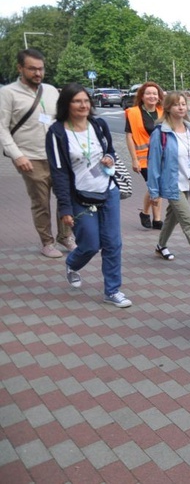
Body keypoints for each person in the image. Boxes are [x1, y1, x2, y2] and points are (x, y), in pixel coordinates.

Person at [45, 83, 132, 308]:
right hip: (79, 196)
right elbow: (59, 173)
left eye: (86, 100)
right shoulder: (57, 132)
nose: (83, 105)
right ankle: (72, 263)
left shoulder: (98, 125)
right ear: (66, 104)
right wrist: (65, 208)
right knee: (91, 244)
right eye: (77, 101)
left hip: (107, 190)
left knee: (113, 243)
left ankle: (112, 291)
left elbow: (110, 151)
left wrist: (109, 159)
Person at [0, 49, 75, 258]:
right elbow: (2, 128)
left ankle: (65, 236)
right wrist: (17, 155)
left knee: (65, 197)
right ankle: (47, 242)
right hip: (30, 158)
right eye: (32, 69)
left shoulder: (51, 90)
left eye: (41, 69)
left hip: (57, 155)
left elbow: (62, 120)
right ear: (20, 68)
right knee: (41, 203)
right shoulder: (8, 93)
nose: (38, 73)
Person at [146, 91, 190, 275]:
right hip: (173, 184)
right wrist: (153, 191)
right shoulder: (160, 133)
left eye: (184, 104)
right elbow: (153, 163)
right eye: (177, 104)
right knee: (189, 221)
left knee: (172, 217)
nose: (181, 107)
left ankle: (161, 245)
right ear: (168, 107)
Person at [124, 82, 164, 230]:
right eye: (148, 93)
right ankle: (157, 218)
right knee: (155, 186)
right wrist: (134, 159)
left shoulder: (163, 112)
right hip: (143, 158)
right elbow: (129, 137)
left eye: (155, 93)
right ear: (142, 96)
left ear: (159, 97)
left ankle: (148, 214)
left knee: (156, 186)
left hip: (161, 156)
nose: (152, 96)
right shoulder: (133, 112)